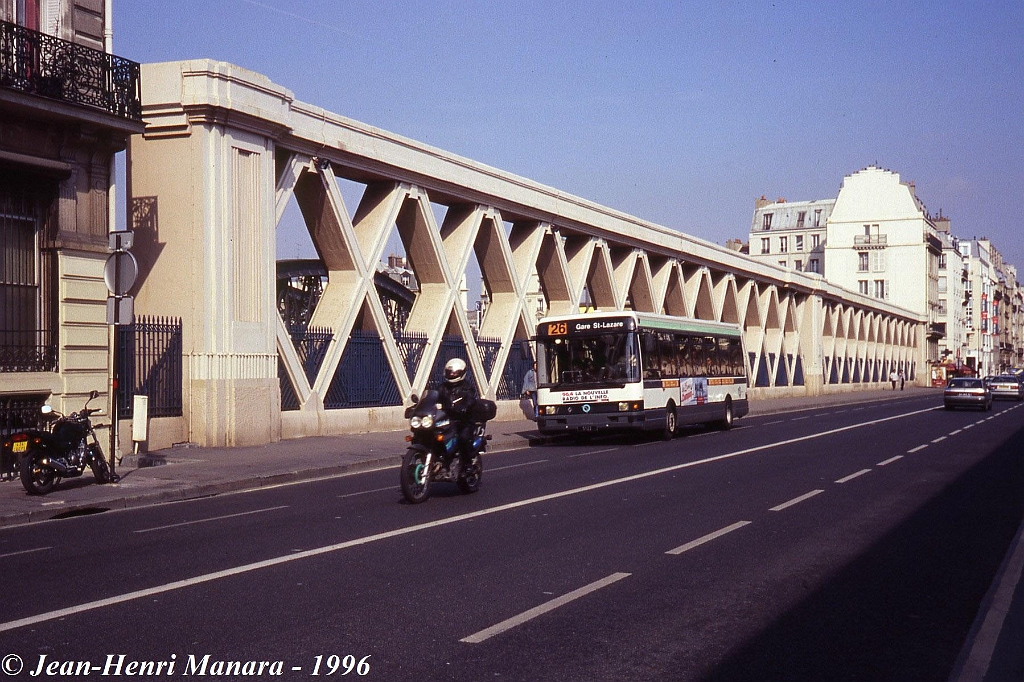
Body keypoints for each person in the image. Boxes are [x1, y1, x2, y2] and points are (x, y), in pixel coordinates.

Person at [436, 358, 478, 471]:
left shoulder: (467, 387)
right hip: (446, 419)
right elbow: (434, 397)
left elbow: (471, 399)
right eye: (450, 372)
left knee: (463, 438)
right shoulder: (442, 387)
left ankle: (468, 464)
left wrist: (464, 407)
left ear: (462, 373)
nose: (452, 374)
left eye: (455, 372)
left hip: (463, 420)